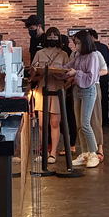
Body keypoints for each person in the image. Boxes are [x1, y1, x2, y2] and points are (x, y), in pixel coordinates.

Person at [63, 29, 104, 168]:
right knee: (79, 125)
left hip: (88, 91)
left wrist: (76, 73)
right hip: (77, 90)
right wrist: (54, 69)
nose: (76, 46)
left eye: (78, 43)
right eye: (75, 43)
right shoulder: (78, 55)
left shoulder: (93, 56)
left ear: (85, 42)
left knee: (86, 124)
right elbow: (67, 67)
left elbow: (91, 77)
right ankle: (84, 153)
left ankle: (93, 154)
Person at [30, 27, 69, 164]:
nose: (52, 38)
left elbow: (68, 72)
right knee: (41, 124)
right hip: (42, 88)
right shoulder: (39, 53)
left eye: (55, 36)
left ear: (58, 38)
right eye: (50, 36)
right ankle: (44, 151)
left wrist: (65, 81)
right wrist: (35, 70)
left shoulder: (63, 54)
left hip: (57, 88)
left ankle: (53, 153)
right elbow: (32, 73)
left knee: (54, 122)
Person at [89, 29, 109, 126]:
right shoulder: (105, 47)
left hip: (92, 79)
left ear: (91, 37)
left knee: (93, 101)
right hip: (104, 78)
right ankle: (105, 121)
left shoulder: (90, 48)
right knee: (104, 99)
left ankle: (95, 122)